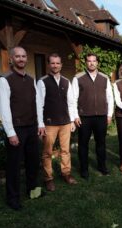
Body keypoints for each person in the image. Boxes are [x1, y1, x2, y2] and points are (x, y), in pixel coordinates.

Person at [0, 46, 45, 210]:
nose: (21, 59)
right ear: (11, 59)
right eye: (17, 56)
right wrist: (10, 133)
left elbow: (37, 103)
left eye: (24, 56)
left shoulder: (31, 79)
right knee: (14, 166)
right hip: (16, 129)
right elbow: (4, 109)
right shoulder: (4, 79)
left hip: (32, 127)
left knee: (33, 162)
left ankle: (33, 190)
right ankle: (13, 198)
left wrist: (40, 124)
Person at [37, 53, 77, 191]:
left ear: (61, 65)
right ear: (49, 64)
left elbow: (71, 102)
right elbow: (39, 105)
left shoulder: (66, 81)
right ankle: (48, 178)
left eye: (57, 63)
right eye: (52, 63)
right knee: (47, 152)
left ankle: (66, 173)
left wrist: (72, 120)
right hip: (49, 123)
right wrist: (40, 124)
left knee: (65, 150)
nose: (55, 65)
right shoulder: (42, 81)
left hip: (65, 122)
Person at [72, 53, 114, 178]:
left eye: (94, 61)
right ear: (85, 62)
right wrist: (75, 116)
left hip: (101, 116)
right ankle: (84, 169)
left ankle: (102, 167)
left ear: (97, 63)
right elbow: (73, 99)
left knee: (101, 143)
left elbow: (110, 98)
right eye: (89, 61)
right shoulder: (78, 78)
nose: (91, 63)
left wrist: (109, 114)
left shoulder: (104, 78)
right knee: (83, 144)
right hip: (84, 116)